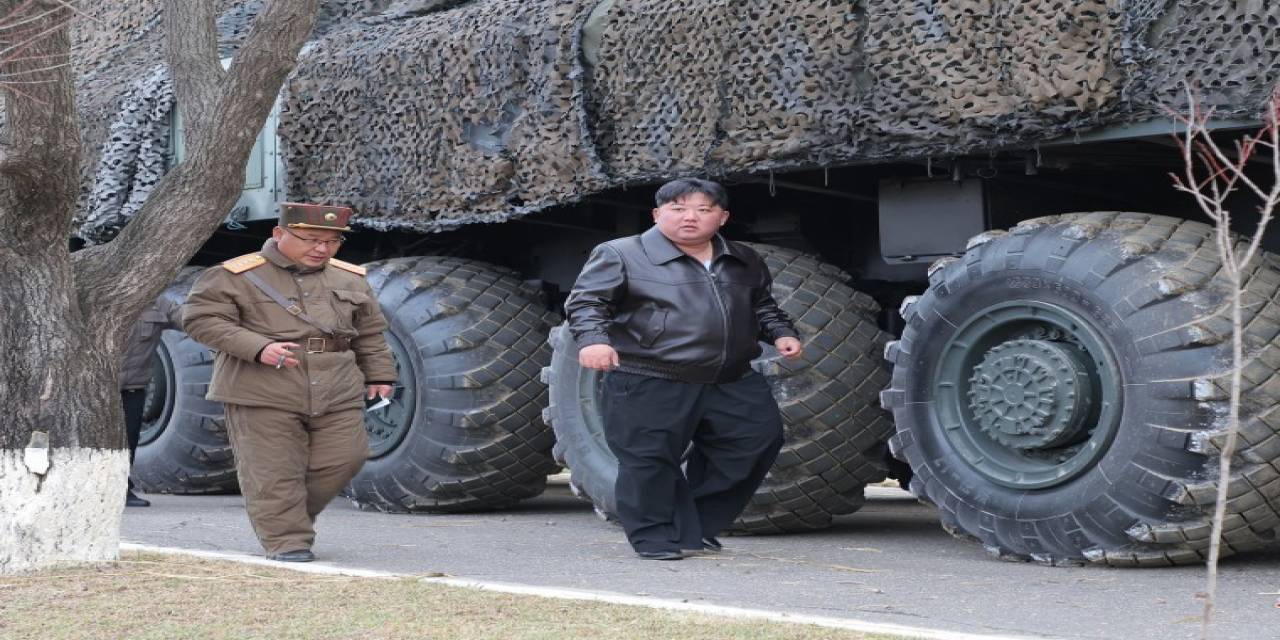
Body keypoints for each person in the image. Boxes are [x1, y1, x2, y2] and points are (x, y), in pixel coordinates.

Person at [564, 178, 803, 560]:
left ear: (722, 217)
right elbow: (588, 303)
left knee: (756, 441)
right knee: (649, 460)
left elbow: (762, 306)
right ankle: (653, 536)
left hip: (730, 378)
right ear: (658, 214)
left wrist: (780, 333)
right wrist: (593, 340)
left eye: (703, 209)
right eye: (678, 209)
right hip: (650, 375)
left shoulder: (743, 258)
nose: (690, 217)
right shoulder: (621, 254)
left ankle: (695, 524)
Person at [182, 203, 396, 562]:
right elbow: (200, 320)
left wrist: (380, 373)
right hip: (260, 385)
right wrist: (258, 347)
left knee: (348, 457)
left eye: (332, 241)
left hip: (336, 383)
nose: (321, 248)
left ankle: (285, 516)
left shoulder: (349, 278)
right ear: (278, 234)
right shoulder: (233, 275)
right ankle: (286, 540)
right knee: (272, 468)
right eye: (311, 239)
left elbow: (370, 333)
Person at [118, 299, 182, 507]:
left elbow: (191, 320)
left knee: (129, 438)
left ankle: (120, 489)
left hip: (132, 388)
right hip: (92, 389)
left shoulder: (158, 304)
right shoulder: (97, 291)